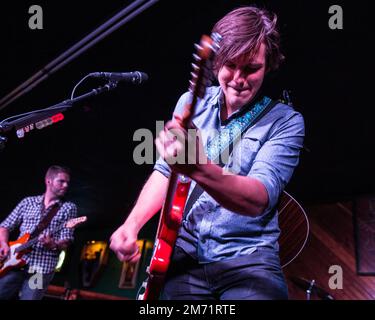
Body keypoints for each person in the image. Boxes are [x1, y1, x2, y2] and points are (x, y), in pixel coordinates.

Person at [110, 6, 305, 300]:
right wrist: (132, 224)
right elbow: (166, 171)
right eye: (230, 66)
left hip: (249, 259)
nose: (238, 79)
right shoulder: (190, 103)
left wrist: (199, 168)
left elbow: (259, 198)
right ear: (216, 64)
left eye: (251, 68)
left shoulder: (286, 121)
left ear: (269, 65)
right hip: (185, 254)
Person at [0, 165, 77, 300]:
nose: (65, 185)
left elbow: (66, 241)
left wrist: (53, 244)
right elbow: (4, 227)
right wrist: (4, 245)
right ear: (49, 181)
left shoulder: (68, 208)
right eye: (61, 181)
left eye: (67, 183)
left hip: (40, 269)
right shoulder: (27, 202)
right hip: (13, 262)